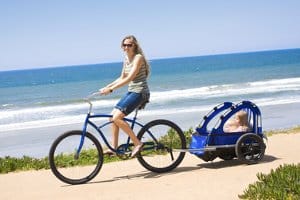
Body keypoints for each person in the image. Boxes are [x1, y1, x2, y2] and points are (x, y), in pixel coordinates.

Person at [99, 35, 150, 158]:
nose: (126, 47)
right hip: (132, 91)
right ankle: (114, 148)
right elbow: (122, 77)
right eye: (124, 45)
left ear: (135, 46)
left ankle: (137, 143)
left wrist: (111, 89)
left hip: (140, 92)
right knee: (112, 117)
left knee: (117, 118)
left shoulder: (138, 58)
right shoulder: (126, 59)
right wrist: (107, 86)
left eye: (129, 45)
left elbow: (129, 78)